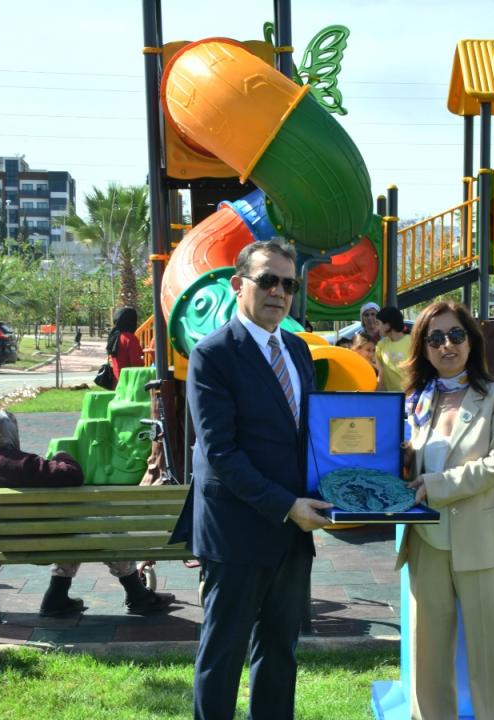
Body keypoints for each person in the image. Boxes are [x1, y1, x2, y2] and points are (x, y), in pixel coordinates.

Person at [169, 240, 333, 720]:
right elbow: (220, 453)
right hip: (237, 530)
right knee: (223, 655)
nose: (279, 292)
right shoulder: (213, 354)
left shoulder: (300, 351)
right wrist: (287, 504)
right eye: (268, 280)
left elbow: (309, 436)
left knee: (280, 651)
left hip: (292, 532)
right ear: (239, 283)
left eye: (289, 283)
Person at [398, 300, 494, 718]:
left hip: (483, 541)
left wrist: (433, 486)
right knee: (427, 653)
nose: (446, 345)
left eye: (456, 335)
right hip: (426, 541)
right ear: (424, 347)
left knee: (492, 655)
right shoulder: (413, 402)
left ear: (472, 341)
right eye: (435, 338)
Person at [0, 411, 174, 616]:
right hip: (44, 542)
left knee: (73, 529)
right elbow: (72, 475)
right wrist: (62, 455)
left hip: (1, 543)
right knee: (103, 527)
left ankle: (56, 597)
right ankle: (137, 595)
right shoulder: (23, 464)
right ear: (11, 433)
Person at [375, 306, 412, 392]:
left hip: (411, 398)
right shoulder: (380, 345)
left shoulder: (412, 341)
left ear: (388, 325)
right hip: (391, 398)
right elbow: (381, 374)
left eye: (378, 323)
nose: (377, 327)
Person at [107, 307, 144, 380]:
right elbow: (136, 364)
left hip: (117, 379)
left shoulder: (114, 336)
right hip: (129, 380)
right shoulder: (129, 338)